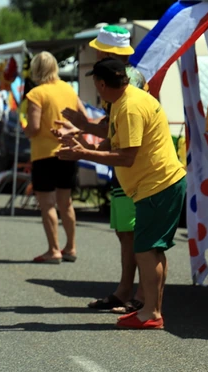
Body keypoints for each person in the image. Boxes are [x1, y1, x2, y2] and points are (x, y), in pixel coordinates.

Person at [56, 57, 186, 329]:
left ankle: (151, 313)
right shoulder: (124, 101)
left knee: (147, 250)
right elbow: (112, 138)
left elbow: (126, 157)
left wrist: (83, 153)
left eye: (95, 82)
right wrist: (82, 140)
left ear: (102, 84)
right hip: (159, 184)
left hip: (158, 185)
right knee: (153, 249)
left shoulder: (129, 107)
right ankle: (152, 310)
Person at [59, 25, 147, 313]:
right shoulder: (124, 76)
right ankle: (125, 291)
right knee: (125, 231)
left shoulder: (126, 79)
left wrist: (84, 134)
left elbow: (121, 129)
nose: (95, 53)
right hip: (123, 164)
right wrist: (81, 127)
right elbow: (111, 127)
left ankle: (139, 295)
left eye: (99, 49)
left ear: (109, 52)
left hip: (132, 166)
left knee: (133, 232)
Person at [23, 51, 87, 263]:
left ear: (36, 69)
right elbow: (85, 119)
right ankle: (71, 247)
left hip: (44, 154)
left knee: (47, 204)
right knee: (66, 202)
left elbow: (34, 128)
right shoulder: (68, 89)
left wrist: (24, 127)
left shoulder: (36, 94)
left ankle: (53, 250)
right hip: (67, 152)